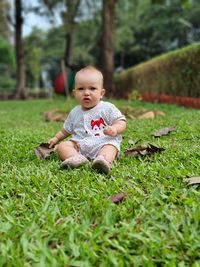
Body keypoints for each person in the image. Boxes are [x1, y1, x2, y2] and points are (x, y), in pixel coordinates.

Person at [48, 66, 126, 174]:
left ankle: (103, 160)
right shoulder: (75, 112)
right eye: (81, 89)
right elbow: (65, 130)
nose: (86, 93)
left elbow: (121, 121)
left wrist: (115, 128)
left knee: (111, 147)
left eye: (92, 88)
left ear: (101, 93)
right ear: (75, 93)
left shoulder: (107, 108)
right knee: (63, 147)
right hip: (80, 144)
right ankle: (76, 158)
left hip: (103, 141)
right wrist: (56, 139)